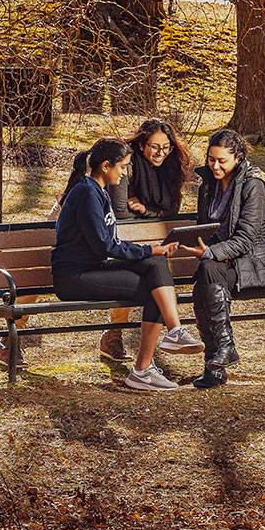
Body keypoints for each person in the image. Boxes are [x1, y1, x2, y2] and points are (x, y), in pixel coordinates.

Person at [50, 137, 205, 391]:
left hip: (93, 268)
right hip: (74, 276)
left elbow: (108, 243)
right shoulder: (87, 193)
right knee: (153, 287)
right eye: (122, 167)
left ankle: (174, 332)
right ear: (105, 166)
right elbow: (104, 245)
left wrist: (151, 252)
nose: (124, 173)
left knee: (155, 265)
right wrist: (149, 248)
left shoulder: (98, 191)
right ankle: (143, 370)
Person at [178, 130, 265, 389]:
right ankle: (223, 354)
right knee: (206, 274)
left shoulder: (253, 185)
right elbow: (206, 229)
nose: (215, 166)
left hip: (253, 266)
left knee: (206, 274)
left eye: (222, 161)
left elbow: (247, 238)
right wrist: (206, 249)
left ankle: (215, 363)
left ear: (237, 157)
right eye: (211, 159)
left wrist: (213, 253)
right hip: (221, 265)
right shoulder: (208, 185)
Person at [101, 118, 193, 360]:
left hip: (145, 231)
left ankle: (117, 337)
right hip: (105, 227)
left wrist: (146, 211)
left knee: (150, 272)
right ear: (142, 144)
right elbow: (119, 210)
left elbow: (172, 210)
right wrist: (139, 212)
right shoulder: (127, 163)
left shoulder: (171, 167)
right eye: (154, 146)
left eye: (166, 147)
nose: (160, 153)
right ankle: (115, 335)